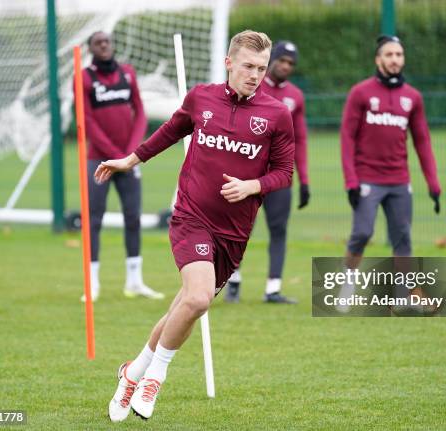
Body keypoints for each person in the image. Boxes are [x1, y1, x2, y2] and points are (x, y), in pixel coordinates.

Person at [95, 30, 295, 422]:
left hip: (233, 235)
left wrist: (253, 185)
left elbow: (284, 172)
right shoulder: (201, 98)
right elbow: (171, 131)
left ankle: (131, 372)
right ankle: (155, 377)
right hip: (190, 218)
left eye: (261, 68)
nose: (255, 75)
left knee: (183, 308)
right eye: (248, 66)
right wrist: (130, 160)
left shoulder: (277, 114)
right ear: (229, 63)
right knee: (199, 299)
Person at [340, 35, 441, 287]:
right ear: (378, 59)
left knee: (403, 238)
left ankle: (403, 294)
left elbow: (422, 141)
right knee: (362, 233)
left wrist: (433, 183)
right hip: (367, 179)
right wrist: (351, 180)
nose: (395, 59)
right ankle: (347, 282)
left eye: (399, 55)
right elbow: (346, 138)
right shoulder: (360, 92)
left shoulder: (413, 97)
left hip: (399, 181)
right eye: (389, 55)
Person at [80, 31, 164, 302]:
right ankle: (92, 283)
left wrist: (131, 153)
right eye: (98, 42)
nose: (104, 45)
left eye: (107, 41)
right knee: (94, 218)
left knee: (133, 216)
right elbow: (88, 121)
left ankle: (135, 282)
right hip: (99, 159)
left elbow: (139, 112)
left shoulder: (127, 73)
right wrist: (116, 155)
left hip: (128, 159)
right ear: (91, 48)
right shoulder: (84, 77)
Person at [225, 40, 309, 305]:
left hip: (279, 177)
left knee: (278, 229)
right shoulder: (251, 87)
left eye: (290, 64)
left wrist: (304, 179)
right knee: (238, 229)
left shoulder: (295, 96)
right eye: (281, 60)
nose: (285, 66)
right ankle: (233, 280)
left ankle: (273, 289)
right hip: (246, 174)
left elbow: (301, 140)